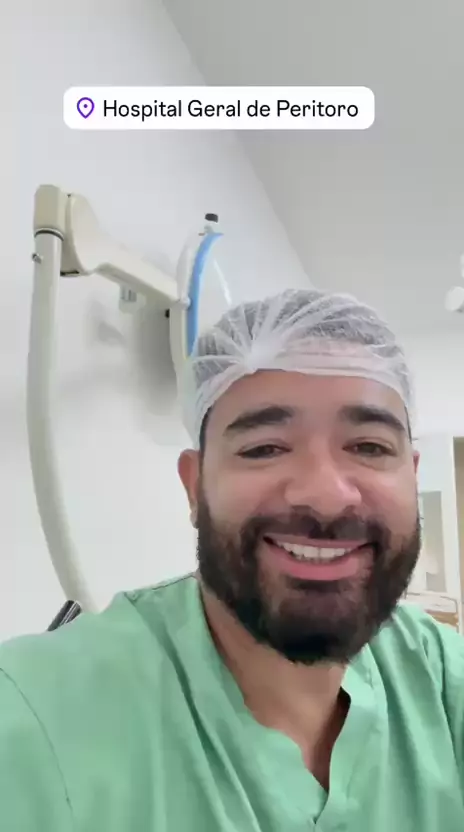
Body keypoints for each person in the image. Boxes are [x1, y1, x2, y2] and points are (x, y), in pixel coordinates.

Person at [1, 288, 463, 831]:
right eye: (264, 448)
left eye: (369, 447)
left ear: (412, 476)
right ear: (195, 487)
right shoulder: (34, 717)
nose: (326, 495)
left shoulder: (441, 681)